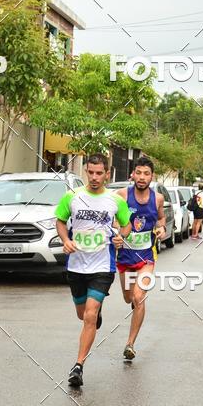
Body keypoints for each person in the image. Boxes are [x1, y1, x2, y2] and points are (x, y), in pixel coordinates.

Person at [55, 153, 132, 387]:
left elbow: (126, 225)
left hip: (102, 266)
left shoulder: (115, 200)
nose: (95, 177)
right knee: (83, 315)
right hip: (77, 265)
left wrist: (120, 236)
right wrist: (65, 239)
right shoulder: (72, 197)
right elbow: (59, 220)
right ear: (86, 172)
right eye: (91, 172)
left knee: (89, 315)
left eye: (100, 173)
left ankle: (78, 366)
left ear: (107, 174)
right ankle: (94, 315)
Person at [116, 156, 166, 361]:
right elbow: (111, 219)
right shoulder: (121, 195)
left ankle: (130, 344)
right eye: (139, 173)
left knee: (139, 297)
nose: (142, 177)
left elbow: (161, 217)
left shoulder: (158, 199)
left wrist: (161, 227)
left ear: (152, 177)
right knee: (128, 297)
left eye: (146, 173)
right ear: (133, 174)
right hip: (125, 258)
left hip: (146, 257)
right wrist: (116, 234)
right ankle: (134, 303)